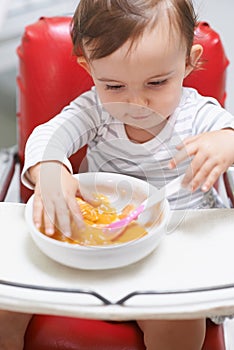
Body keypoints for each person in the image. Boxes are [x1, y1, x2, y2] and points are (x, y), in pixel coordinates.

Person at [1, 0, 234, 349]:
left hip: (172, 256)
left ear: (188, 62)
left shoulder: (198, 115)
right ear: (89, 67)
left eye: (156, 82)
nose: (136, 103)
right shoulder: (95, 111)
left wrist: (227, 143)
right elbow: (49, 136)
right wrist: (48, 169)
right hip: (92, 244)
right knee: (5, 307)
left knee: (179, 327)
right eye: (114, 87)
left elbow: (228, 136)